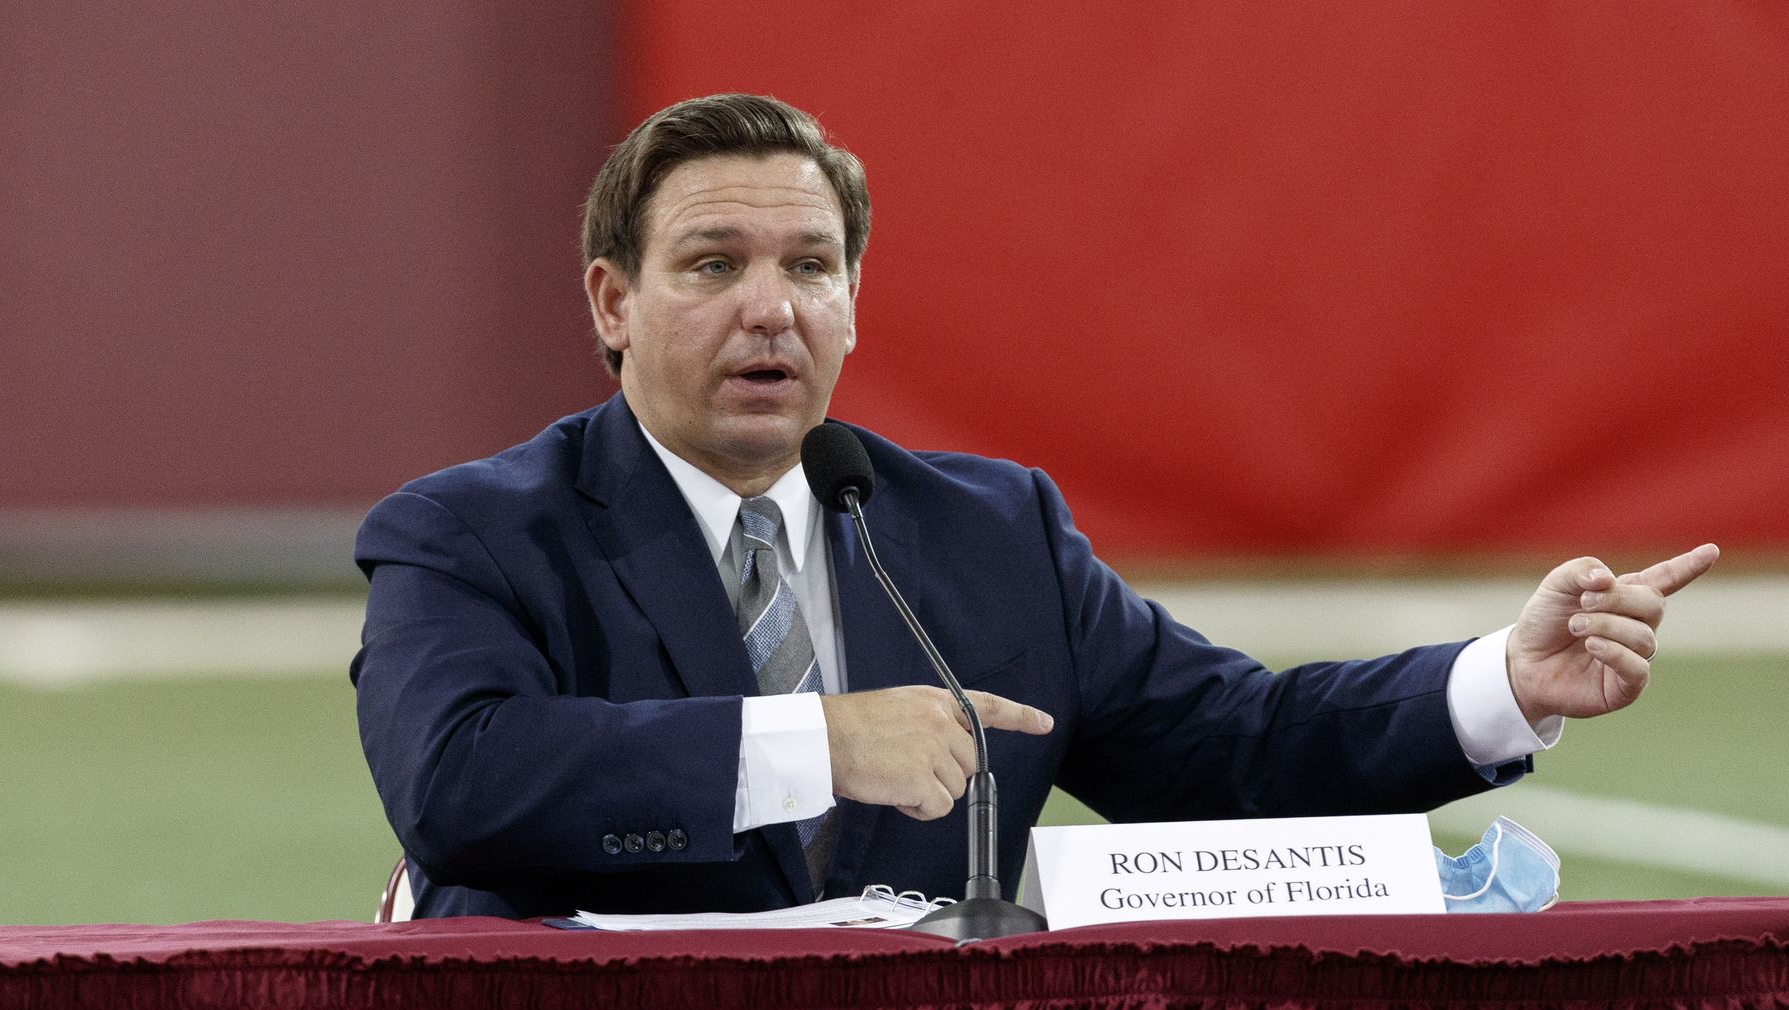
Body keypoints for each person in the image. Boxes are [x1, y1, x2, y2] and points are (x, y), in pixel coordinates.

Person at [351, 93, 1717, 919]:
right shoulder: (471, 531)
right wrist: (812, 745)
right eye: (714, 263)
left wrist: (1499, 686)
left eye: (811, 267)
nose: (771, 309)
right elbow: (463, 786)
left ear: (852, 302)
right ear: (613, 301)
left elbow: (1227, 755)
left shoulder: (985, 533)